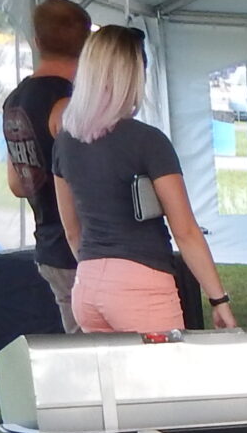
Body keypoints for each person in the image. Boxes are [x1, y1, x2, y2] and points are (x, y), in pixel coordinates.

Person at [51, 24, 237, 335]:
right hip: (141, 283)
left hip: (87, 285)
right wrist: (219, 299)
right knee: (165, 381)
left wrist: (98, 272)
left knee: (110, 383)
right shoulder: (148, 141)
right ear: (133, 75)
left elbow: (72, 232)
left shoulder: (65, 141)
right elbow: (186, 231)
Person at [3, 0, 91, 330]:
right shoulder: (71, 103)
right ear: (86, 45)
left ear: (36, 41)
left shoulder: (14, 101)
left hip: (49, 245)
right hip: (83, 246)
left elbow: (17, 183)